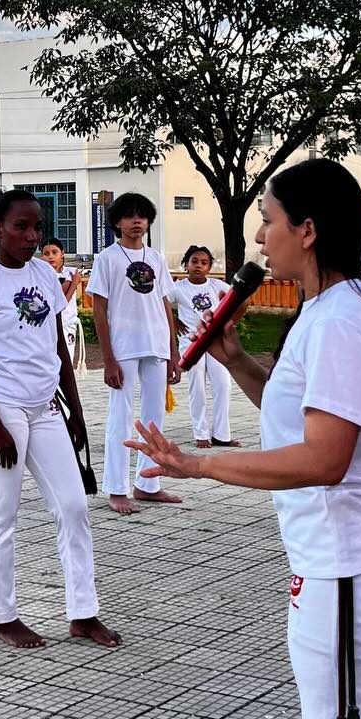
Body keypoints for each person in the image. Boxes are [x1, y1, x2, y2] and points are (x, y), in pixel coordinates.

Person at [126, 158, 361, 719]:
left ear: (309, 230)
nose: (260, 236)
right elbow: (303, 418)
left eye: (268, 219)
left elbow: (323, 458)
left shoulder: (339, 320)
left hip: (350, 561)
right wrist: (236, 359)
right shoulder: (334, 305)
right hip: (354, 553)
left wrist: (198, 464)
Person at [0, 191, 119, 650]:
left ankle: (83, 613)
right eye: (21, 227)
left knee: (73, 506)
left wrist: (76, 410)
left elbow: (58, 346)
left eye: (37, 228)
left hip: (45, 407)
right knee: (2, 512)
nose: (31, 237)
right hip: (0, 408)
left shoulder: (45, 275)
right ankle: (3, 616)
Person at [87, 192, 181, 514]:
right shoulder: (107, 259)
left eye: (142, 216)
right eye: (129, 216)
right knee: (121, 418)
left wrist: (173, 352)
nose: (136, 221)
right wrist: (108, 359)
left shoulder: (156, 258)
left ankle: (147, 484)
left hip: (156, 345)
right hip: (123, 347)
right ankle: (116, 488)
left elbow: (165, 305)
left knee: (155, 418)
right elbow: (99, 309)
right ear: (117, 222)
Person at [170, 245, 240, 450]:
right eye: (194, 261)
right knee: (198, 386)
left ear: (209, 267)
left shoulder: (219, 286)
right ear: (186, 264)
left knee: (223, 385)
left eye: (204, 263)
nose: (198, 266)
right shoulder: (178, 288)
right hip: (191, 341)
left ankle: (222, 435)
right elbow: (159, 303)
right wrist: (173, 320)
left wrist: (228, 322)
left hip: (216, 341)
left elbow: (238, 301)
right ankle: (200, 434)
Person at [41, 237, 85, 371]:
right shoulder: (41, 276)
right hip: (47, 326)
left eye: (54, 252)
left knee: (66, 363)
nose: (50, 256)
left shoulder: (70, 272)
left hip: (67, 323)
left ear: (62, 253)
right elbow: (60, 303)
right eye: (46, 253)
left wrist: (72, 282)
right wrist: (73, 284)